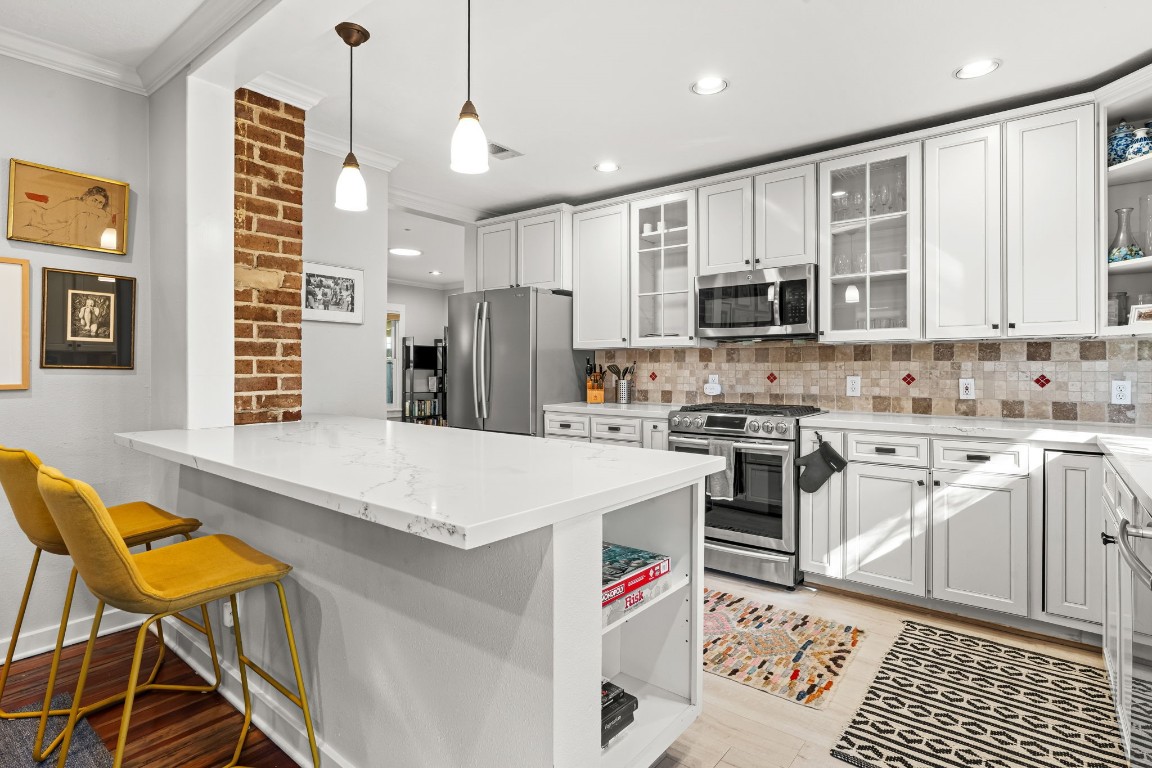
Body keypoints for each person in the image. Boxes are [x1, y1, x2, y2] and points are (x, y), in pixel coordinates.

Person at [11, 186, 113, 248]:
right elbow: (104, 214)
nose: (96, 205)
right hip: (30, 212)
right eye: (94, 200)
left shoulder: (83, 213)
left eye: (100, 203)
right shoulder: (77, 204)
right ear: (86, 197)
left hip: (37, 224)